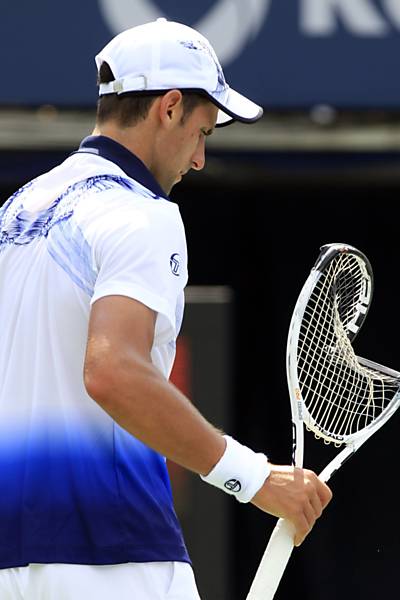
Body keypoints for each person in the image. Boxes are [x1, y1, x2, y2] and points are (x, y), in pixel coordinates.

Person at [0, 17, 332, 600]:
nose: (200, 160)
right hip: (115, 554)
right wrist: (255, 478)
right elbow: (113, 372)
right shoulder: (143, 212)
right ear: (170, 107)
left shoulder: (15, 213)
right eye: (203, 132)